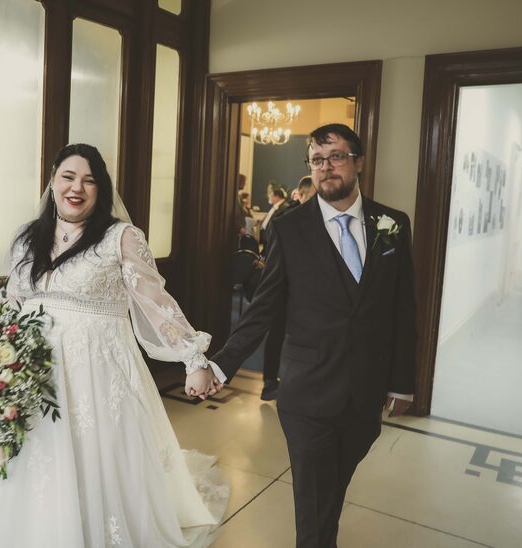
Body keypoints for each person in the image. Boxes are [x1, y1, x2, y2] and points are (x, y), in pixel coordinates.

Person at [0, 144, 228, 548]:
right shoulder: (27, 238)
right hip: (34, 376)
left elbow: (156, 303)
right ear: (53, 180)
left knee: (97, 465)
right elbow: (12, 299)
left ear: (100, 189)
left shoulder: (120, 237)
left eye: (89, 180)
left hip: (99, 376)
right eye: (69, 177)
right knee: (39, 463)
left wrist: (193, 357)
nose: (77, 187)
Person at [210, 124, 416, 547]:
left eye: (336, 156)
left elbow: (403, 308)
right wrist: (220, 363)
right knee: (314, 500)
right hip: (308, 392)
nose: (326, 168)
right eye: (317, 160)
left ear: (358, 162)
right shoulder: (289, 228)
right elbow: (264, 307)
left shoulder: (392, 225)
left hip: (365, 391)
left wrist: (403, 381)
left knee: (328, 492)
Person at [259, 175, 318, 401]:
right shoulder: (285, 219)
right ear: (300, 194)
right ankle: (269, 381)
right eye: (312, 197)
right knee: (277, 333)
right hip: (282, 286)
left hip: (307, 290)